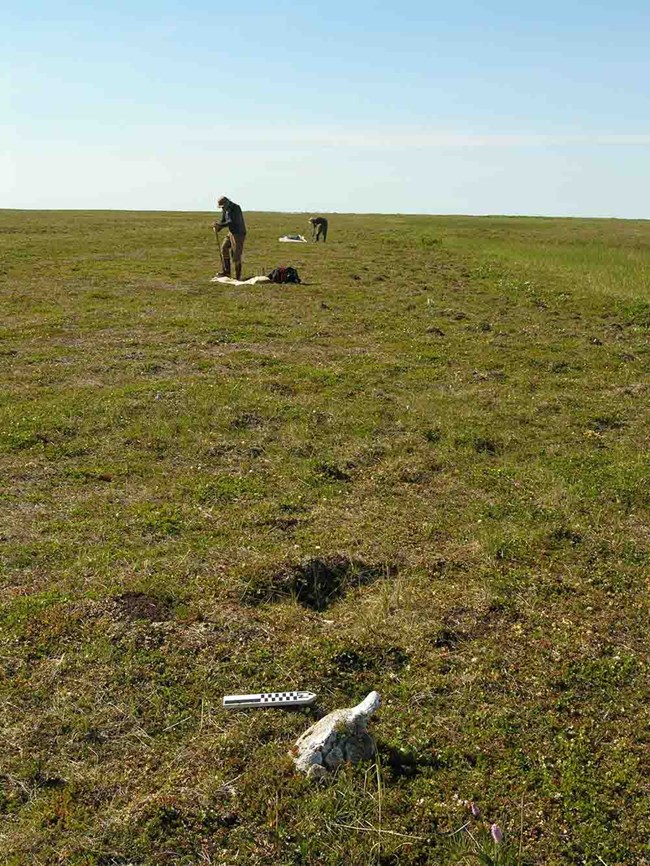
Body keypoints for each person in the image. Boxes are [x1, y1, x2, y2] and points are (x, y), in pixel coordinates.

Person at [213, 196, 247, 279]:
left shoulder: (236, 208)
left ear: (227, 203)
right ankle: (227, 272)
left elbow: (231, 221)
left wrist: (220, 225)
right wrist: (218, 227)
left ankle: (238, 277)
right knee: (224, 248)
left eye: (223, 206)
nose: (223, 208)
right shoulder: (225, 209)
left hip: (238, 233)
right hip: (231, 232)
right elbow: (223, 220)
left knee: (236, 256)